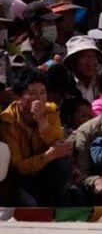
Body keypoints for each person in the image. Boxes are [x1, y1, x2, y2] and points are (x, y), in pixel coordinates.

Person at [0, 68, 76, 207]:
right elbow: (18, 167)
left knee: (65, 161)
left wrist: (42, 121)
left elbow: (57, 143)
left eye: (43, 93)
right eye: (33, 94)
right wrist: (48, 156)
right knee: (29, 204)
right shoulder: (7, 121)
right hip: (20, 180)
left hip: (45, 174)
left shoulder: (50, 111)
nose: (39, 99)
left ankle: (60, 205)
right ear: (18, 97)